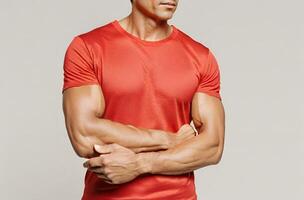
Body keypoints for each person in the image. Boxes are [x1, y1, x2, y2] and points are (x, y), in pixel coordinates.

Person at [61, 0, 225, 199]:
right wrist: (169, 140)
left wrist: (140, 164)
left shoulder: (201, 58)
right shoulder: (87, 48)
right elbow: (85, 136)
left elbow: (212, 147)